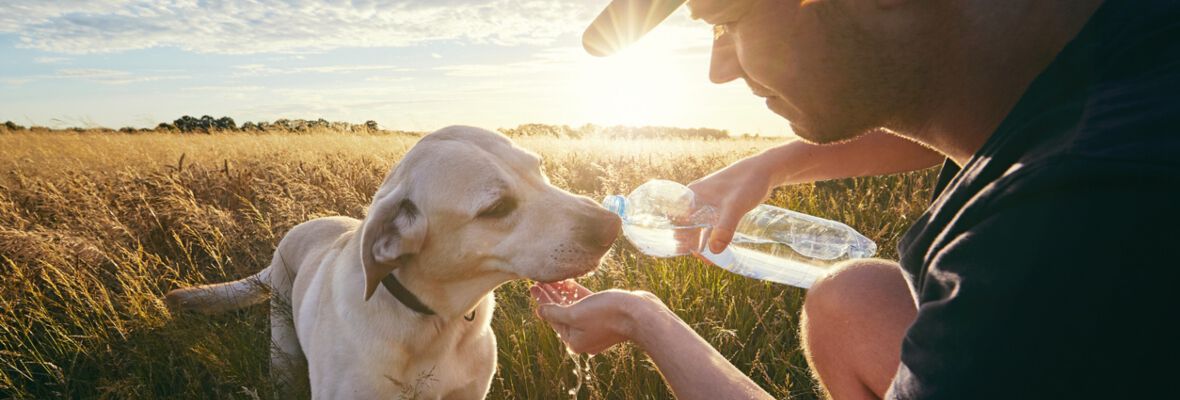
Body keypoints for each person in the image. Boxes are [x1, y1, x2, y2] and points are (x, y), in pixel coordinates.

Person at [532, 0, 1180, 398]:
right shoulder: (1115, 42)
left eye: (727, 21)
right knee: (848, 301)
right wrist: (777, 163)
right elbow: (954, 112)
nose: (719, 70)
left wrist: (647, 322)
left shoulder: (1055, 236)